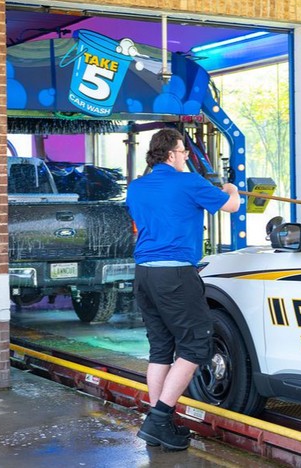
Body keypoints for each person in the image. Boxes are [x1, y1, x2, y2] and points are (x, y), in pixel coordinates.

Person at [125, 128, 240, 451]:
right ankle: (160, 418)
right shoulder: (189, 182)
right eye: (184, 151)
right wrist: (230, 187)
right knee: (194, 345)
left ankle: (159, 420)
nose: (187, 156)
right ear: (173, 153)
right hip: (175, 274)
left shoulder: (136, 188)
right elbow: (231, 206)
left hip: (144, 275)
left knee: (161, 347)